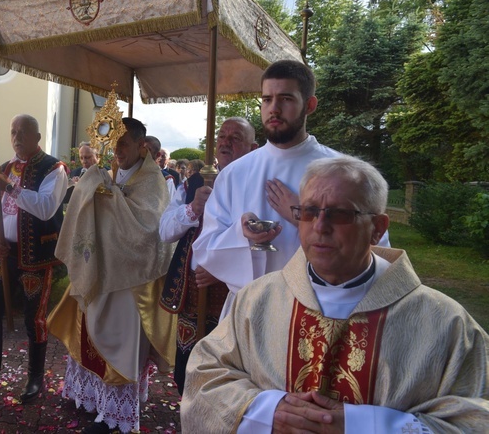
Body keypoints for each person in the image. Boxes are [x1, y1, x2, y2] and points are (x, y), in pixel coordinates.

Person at [182, 155, 489, 432]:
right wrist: (267, 413)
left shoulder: (446, 323)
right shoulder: (257, 300)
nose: (320, 226)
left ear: (378, 228)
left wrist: (365, 426)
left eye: (340, 214)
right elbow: (205, 376)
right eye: (309, 211)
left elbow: (476, 418)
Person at [191, 60, 389, 318]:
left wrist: (304, 215)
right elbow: (204, 250)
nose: (273, 109)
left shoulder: (344, 174)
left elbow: (376, 248)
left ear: (310, 105)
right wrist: (242, 234)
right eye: (266, 99)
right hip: (248, 310)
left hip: (320, 310)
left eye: (285, 99)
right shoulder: (233, 173)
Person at [48, 118, 177, 433]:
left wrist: (108, 197)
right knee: (91, 333)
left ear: (140, 146)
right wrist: (95, 189)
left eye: (124, 144)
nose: (117, 151)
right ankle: (92, 398)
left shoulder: (154, 181)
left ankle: (116, 416)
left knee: (121, 343)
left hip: (131, 284)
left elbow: (147, 230)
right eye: (114, 144)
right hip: (102, 273)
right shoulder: (111, 174)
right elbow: (89, 213)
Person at [159, 117, 257, 395]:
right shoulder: (195, 182)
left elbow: (267, 239)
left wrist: (222, 268)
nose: (225, 142)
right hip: (193, 295)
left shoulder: (257, 182)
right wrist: (192, 209)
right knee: (186, 374)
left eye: (235, 137)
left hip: (234, 297)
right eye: (221, 136)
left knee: (225, 381)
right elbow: (165, 231)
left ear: (253, 147)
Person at [0, 114, 68, 404]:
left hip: (36, 257)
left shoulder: (54, 168)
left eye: (23, 132)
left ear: (37, 137)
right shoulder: (4, 168)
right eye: (13, 131)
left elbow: (45, 208)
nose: (16, 138)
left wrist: (9, 188)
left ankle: (35, 379)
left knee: (34, 319)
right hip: (5, 254)